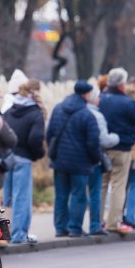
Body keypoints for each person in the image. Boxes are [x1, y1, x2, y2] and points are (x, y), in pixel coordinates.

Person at [98, 67, 135, 234]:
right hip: (122, 148)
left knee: (102, 185)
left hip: (102, 148)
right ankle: (113, 222)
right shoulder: (126, 103)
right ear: (122, 84)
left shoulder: (101, 99)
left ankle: (97, 221)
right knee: (118, 185)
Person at [47, 82, 101, 238]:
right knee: (78, 195)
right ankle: (75, 228)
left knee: (61, 195)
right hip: (80, 163)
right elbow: (93, 142)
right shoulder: (87, 114)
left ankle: (60, 227)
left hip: (60, 161)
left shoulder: (58, 109)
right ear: (86, 94)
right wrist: (95, 159)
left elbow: (49, 134)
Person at [1, 80, 43, 244]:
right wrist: (37, 154)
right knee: (22, 198)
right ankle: (19, 235)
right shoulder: (35, 113)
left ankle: (5, 234)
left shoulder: (10, 110)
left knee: (7, 197)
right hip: (24, 158)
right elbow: (35, 138)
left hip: (7, 158)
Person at [87, 77, 120, 236]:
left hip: (81, 158)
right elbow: (103, 139)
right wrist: (117, 137)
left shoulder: (78, 111)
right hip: (96, 157)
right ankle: (96, 224)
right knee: (97, 191)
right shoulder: (96, 115)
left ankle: (72, 226)